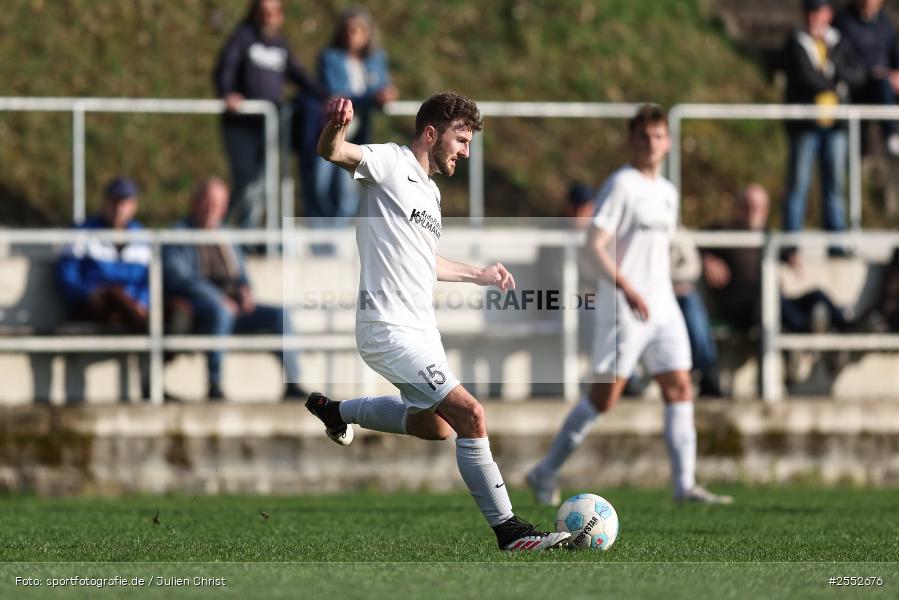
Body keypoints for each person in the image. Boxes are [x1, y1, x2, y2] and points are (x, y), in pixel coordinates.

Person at [307, 92, 570, 551]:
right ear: (431, 133)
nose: (465, 151)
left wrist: (479, 274)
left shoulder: (429, 192)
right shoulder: (389, 162)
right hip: (388, 329)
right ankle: (509, 531)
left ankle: (337, 411)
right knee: (472, 415)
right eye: (461, 139)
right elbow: (333, 152)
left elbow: (425, 260)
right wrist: (337, 125)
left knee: (439, 427)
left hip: (422, 331)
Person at [526, 105, 733, 506]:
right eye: (643, 137)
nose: (651, 144)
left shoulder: (668, 193)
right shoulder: (621, 184)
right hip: (624, 306)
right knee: (606, 396)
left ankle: (684, 486)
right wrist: (626, 285)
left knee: (680, 386)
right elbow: (594, 246)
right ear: (631, 142)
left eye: (658, 136)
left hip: (663, 306)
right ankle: (544, 471)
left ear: (668, 143)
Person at [162, 177, 308, 401]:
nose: (212, 208)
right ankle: (215, 384)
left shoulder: (227, 234)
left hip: (232, 305)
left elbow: (241, 273)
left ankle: (293, 383)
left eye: (218, 203)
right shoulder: (177, 234)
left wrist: (246, 290)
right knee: (222, 311)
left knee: (281, 314)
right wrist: (217, 297)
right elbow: (178, 278)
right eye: (207, 201)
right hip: (199, 308)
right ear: (195, 202)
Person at [213, 0, 326, 229]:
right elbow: (224, 69)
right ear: (255, 14)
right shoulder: (242, 38)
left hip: (269, 126)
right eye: (263, 12)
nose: (268, 18)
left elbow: (299, 76)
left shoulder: (280, 45)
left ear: (280, 16)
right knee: (245, 180)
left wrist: (327, 96)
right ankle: (222, 227)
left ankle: (248, 235)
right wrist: (227, 93)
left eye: (274, 13)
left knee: (263, 185)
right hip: (241, 125)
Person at [702, 184, 853, 335]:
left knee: (816, 295)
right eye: (747, 206)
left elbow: (786, 252)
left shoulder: (768, 235)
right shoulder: (722, 230)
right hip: (743, 306)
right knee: (770, 298)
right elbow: (693, 244)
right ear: (737, 207)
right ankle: (806, 328)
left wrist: (792, 258)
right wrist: (707, 260)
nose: (753, 212)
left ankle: (847, 327)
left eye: (759, 208)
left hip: (773, 300)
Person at [781, 0, 865, 255]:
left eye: (817, 11)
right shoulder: (795, 42)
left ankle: (836, 244)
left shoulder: (839, 42)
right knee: (798, 184)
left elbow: (858, 74)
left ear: (828, 14)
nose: (812, 17)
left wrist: (831, 71)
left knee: (834, 186)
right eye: (809, 11)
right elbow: (805, 78)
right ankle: (791, 244)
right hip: (806, 125)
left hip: (835, 125)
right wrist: (835, 81)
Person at [302, 7, 398, 227]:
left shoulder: (376, 59)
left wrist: (387, 94)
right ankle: (319, 238)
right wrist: (373, 97)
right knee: (321, 185)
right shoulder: (330, 57)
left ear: (367, 33)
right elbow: (337, 93)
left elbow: (383, 86)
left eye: (357, 30)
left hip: (358, 134)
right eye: (347, 30)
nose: (351, 34)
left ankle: (336, 238)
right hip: (330, 129)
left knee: (347, 189)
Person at [56, 177, 150, 335]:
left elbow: (150, 281)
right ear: (105, 203)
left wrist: (142, 301)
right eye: (114, 202)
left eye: (125, 203)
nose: (119, 209)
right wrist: (88, 293)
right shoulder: (82, 233)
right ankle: (146, 329)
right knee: (112, 295)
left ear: (134, 206)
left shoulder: (143, 237)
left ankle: (141, 323)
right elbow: (66, 276)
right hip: (92, 306)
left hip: (130, 310)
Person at [835, 0, 899, 155]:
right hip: (859, 85)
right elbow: (843, 59)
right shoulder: (844, 21)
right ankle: (891, 133)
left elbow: (894, 53)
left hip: (885, 82)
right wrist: (871, 72)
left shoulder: (885, 23)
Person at [671, 232, 722, 397]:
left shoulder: (679, 235)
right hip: (645, 299)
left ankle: (705, 371)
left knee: (690, 299)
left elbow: (691, 269)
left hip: (673, 301)